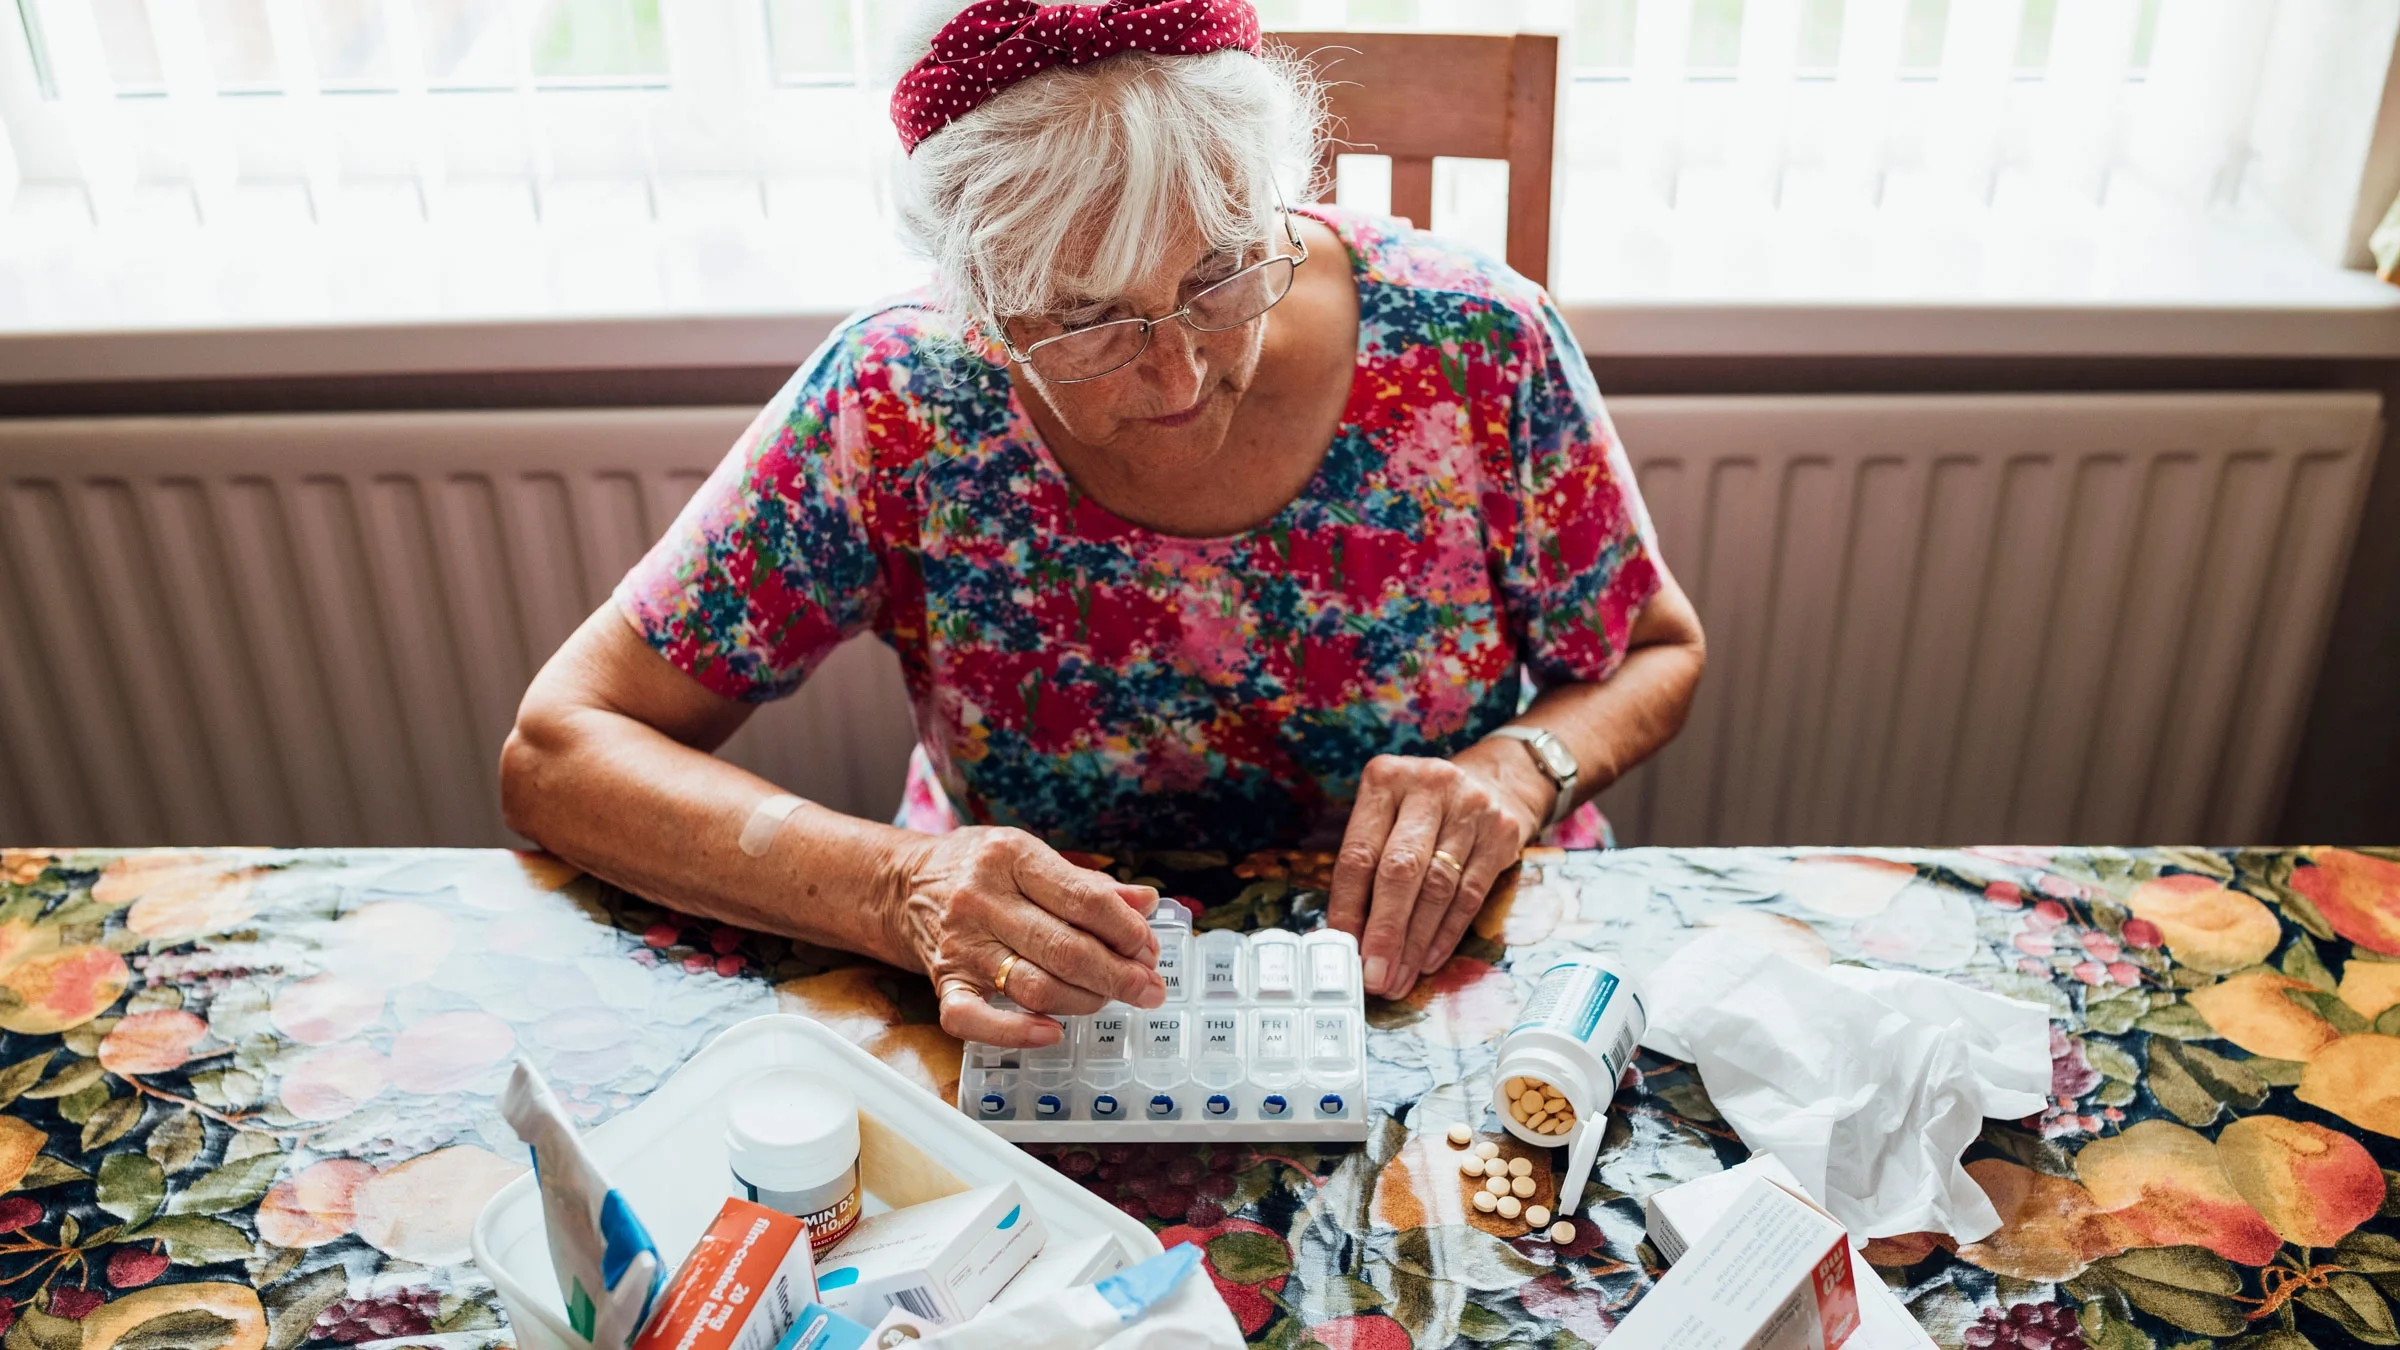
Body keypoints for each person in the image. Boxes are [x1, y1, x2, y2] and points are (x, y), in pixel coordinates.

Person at [501, 0, 1705, 1048]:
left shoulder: (1475, 341)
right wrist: (897, 886)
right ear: (973, 306)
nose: (1180, 382)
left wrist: (1519, 764)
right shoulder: (902, 398)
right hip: (1050, 1008)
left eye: (1223, 275)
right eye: (1085, 324)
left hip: (1453, 977)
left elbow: (1657, 649)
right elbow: (560, 750)